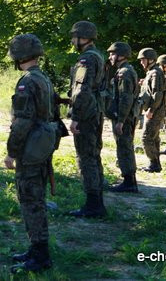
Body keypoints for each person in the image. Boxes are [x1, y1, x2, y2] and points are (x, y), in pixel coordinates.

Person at [5, 34, 55, 273]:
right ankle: (36, 249)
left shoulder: (27, 82)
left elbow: (22, 122)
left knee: (30, 200)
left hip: (30, 148)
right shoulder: (43, 78)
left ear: (19, 56)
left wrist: (11, 152)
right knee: (36, 198)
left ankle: (40, 255)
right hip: (42, 145)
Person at [66, 21, 107, 218]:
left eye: (74, 37)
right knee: (94, 154)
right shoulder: (98, 56)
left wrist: (75, 117)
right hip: (95, 111)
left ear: (83, 38)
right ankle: (97, 201)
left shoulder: (86, 59)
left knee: (86, 157)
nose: (72, 41)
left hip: (86, 114)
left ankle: (93, 205)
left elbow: (81, 90)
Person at [105, 42, 140, 193]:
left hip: (124, 117)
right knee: (124, 146)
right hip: (124, 116)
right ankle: (129, 180)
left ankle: (129, 182)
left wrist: (120, 121)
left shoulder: (124, 73)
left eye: (112, 54)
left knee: (124, 147)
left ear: (121, 56)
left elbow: (126, 98)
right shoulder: (124, 71)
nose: (110, 57)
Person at [137, 48, 165, 173]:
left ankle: (154, 163)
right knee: (154, 138)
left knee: (146, 137)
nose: (141, 62)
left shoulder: (155, 73)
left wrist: (151, 110)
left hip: (155, 110)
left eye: (143, 60)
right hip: (154, 109)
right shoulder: (152, 72)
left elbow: (157, 94)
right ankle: (156, 164)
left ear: (151, 60)